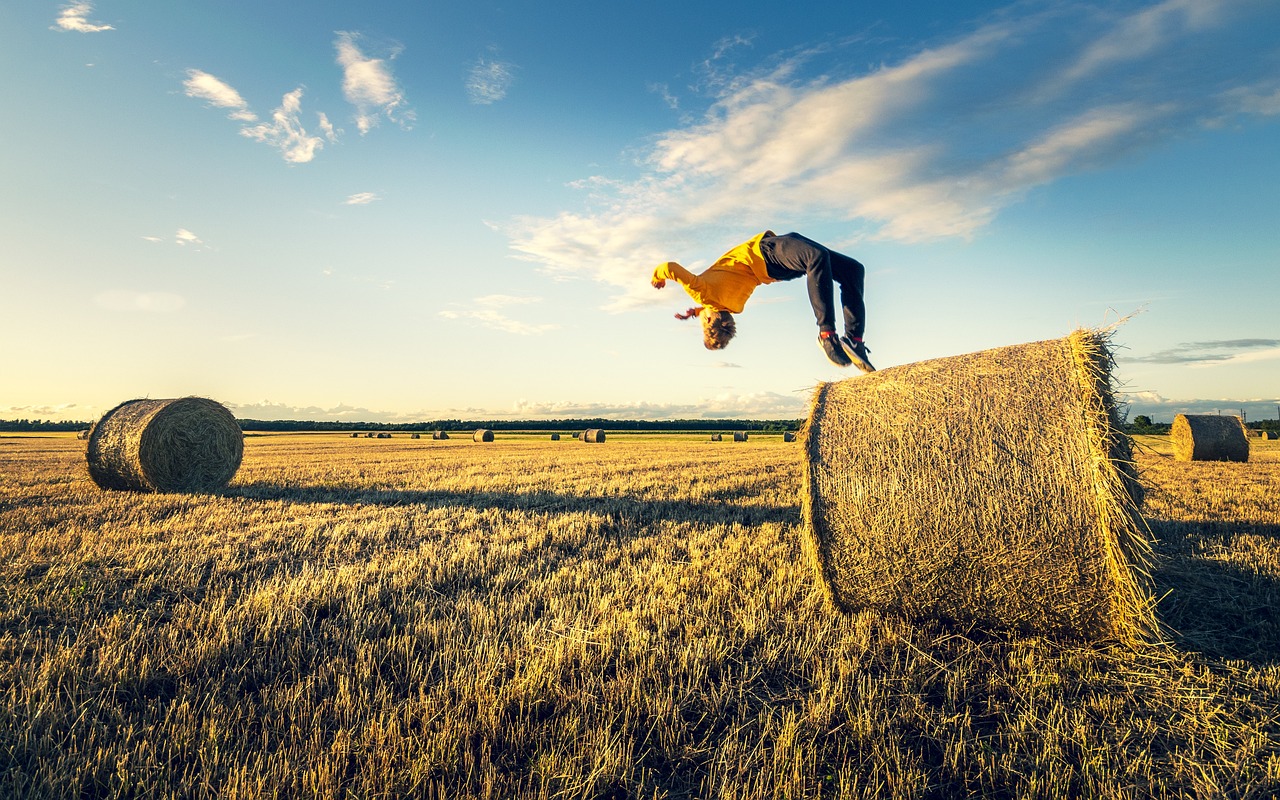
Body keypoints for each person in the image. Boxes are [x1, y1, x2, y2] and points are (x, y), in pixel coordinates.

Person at [650, 230, 874, 371]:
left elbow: (716, 306)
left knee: (852, 270)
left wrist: (697, 312)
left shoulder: (734, 307)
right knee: (816, 257)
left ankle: (854, 339)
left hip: (778, 270)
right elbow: (669, 267)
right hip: (767, 253)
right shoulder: (703, 293)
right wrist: (657, 277)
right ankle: (827, 335)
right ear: (709, 320)